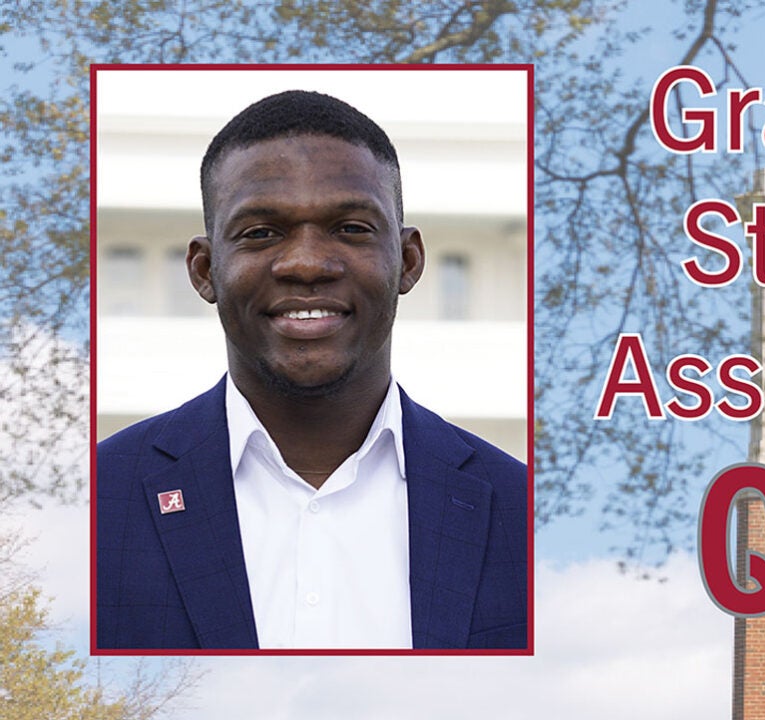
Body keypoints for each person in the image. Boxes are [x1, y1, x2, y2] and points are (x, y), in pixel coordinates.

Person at [95, 90, 528, 651]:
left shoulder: (519, 509)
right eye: (260, 233)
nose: (305, 264)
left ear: (409, 261)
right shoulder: (99, 500)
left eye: (350, 228)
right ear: (205, 271)